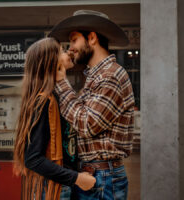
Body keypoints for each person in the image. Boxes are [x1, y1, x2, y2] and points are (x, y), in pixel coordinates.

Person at [48, 10, 135, 200]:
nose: (70, 48)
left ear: (92, 38)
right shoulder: (96, 76)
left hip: (103, 178)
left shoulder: (110, 76)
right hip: (96, 175)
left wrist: (62, 82)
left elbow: (87, 125)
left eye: (74, 40)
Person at [13, 37, 96, 200]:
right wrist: (77, 179)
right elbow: (33, 159)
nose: (68, 53)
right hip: (53, 188)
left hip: (61, 184)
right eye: (62, 51)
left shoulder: (56, 95)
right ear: (51, 61)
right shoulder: (44, 101)